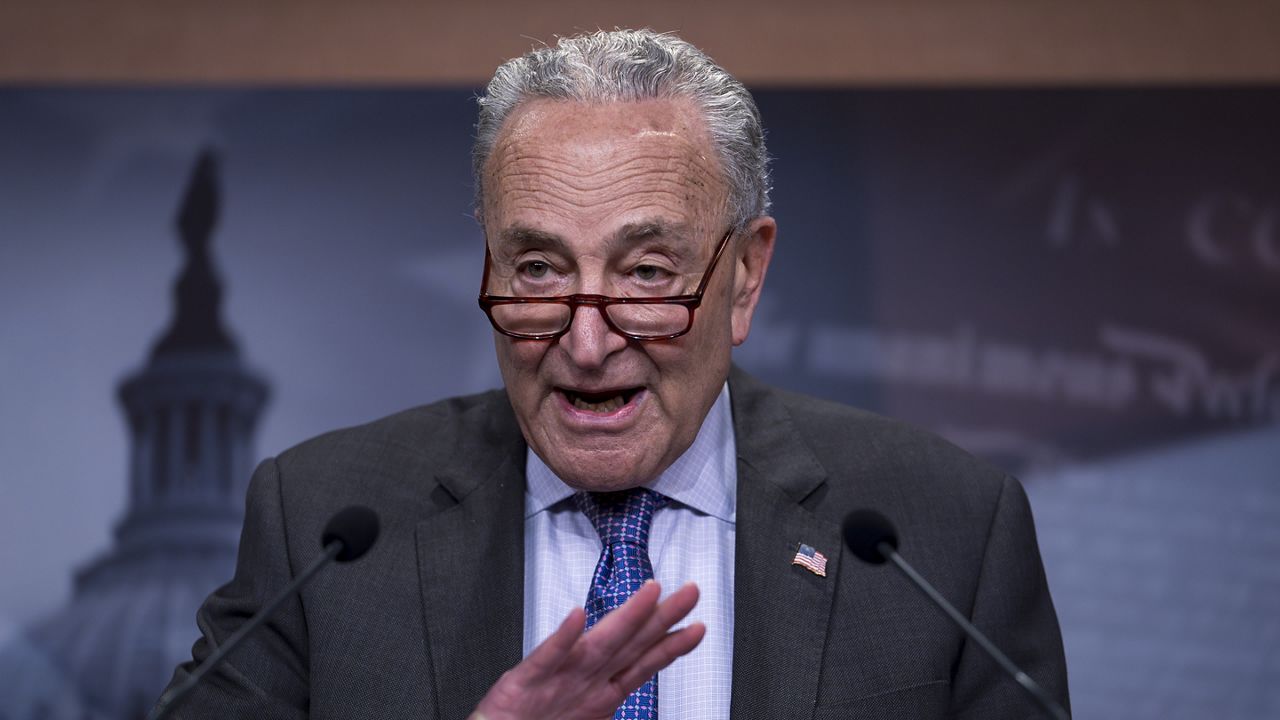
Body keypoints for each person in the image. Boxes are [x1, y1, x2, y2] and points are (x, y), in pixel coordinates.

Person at [158, 29, 1068, 719]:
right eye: (540, 271)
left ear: (745, 278)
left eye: (646, 274)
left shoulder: (941, 531)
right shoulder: (324, 525)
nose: (586, 347)